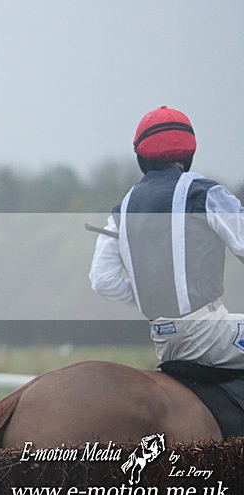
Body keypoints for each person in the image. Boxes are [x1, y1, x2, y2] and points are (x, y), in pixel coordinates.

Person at [90, 105, 244, 371]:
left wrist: (147, 295)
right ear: (189, 152)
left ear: (142, 156)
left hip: (162, 337)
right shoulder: (205, 192)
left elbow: (102, 280)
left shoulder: (122, 208)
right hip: (210, 333)